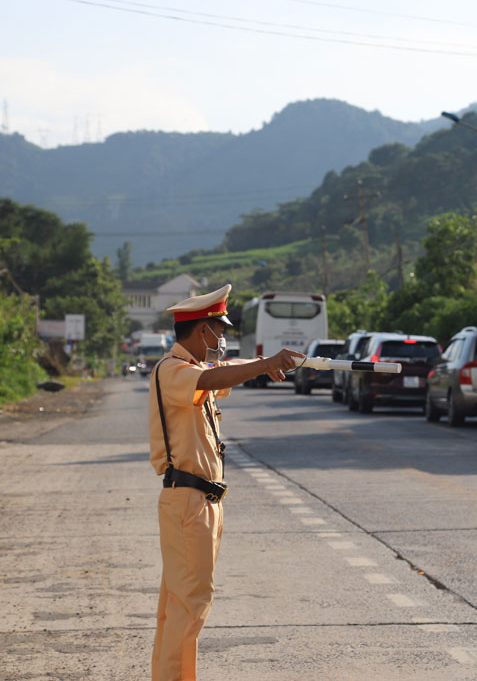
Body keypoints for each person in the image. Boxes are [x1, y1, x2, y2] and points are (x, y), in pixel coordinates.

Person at [149, 284, 303, 681]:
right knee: (190, 605)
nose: (222, 339)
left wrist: (262, 364)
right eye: (219, 331)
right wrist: (264, 361)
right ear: (202, 331)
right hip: (188, 502)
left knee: (179, 606)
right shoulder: (173, 370)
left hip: (200, 503)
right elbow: (208, 380)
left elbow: (221, 378)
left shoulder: (196, 372)